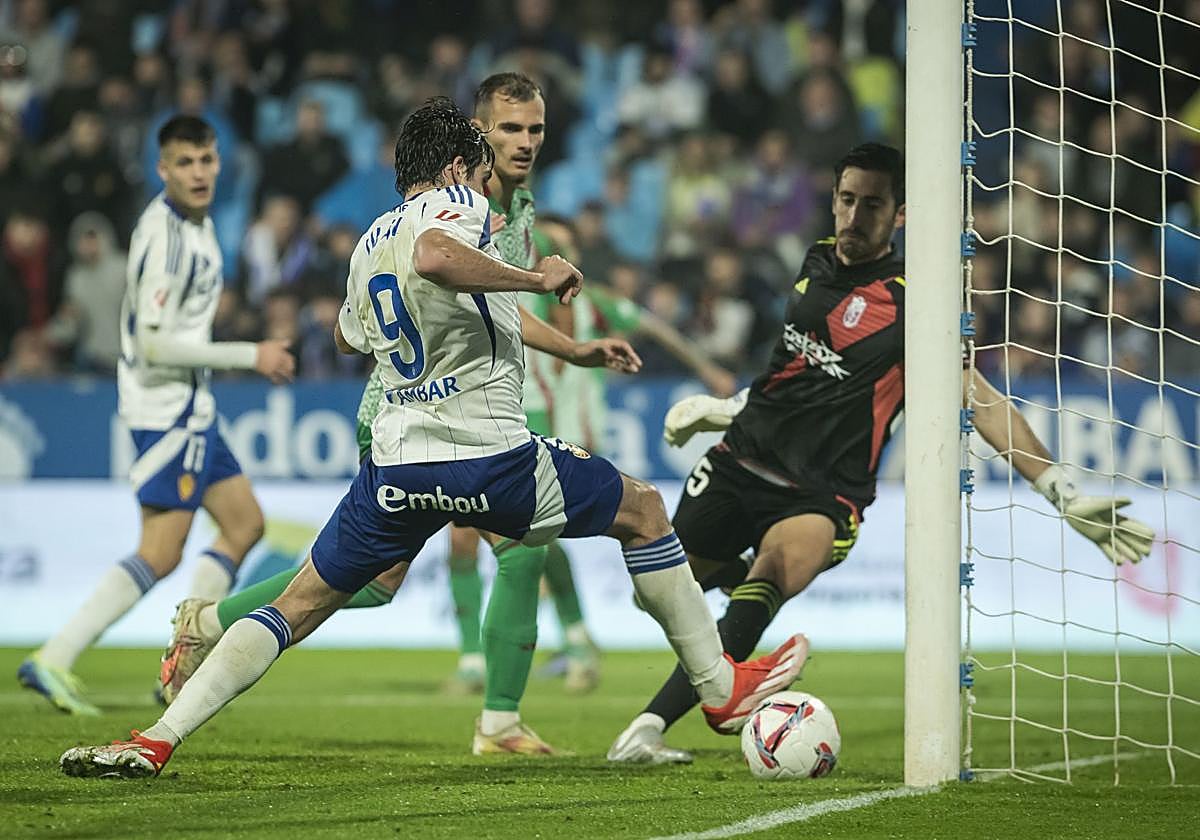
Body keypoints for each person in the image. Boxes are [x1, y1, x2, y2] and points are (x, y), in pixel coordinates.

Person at [59, 98, 808, 779]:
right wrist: (535, 277)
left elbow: (352, 336)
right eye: (481, 166)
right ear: (455, 167)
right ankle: (716, 688)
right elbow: (438, 258)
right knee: (643, 509)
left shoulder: (365, 243)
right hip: (488, 454)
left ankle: (158, 736)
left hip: (397, 467)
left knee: (299, 604)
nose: (486, 182)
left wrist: (535, 339)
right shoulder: (455, 206)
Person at [606, 142, 1157, 764]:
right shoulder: (814, 260)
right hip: (740, 460)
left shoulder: (914, 303)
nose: (854, 215)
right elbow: (794, 368)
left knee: (771, 575)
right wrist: (728, 408)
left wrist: (1062, 489)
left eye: (872, 204)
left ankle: (650, 727)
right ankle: (706, 650)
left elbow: (983, 398)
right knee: (653, 594)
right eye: (846, 200)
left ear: (899, 213)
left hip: (824, 490)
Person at [17, 115, 295, 715]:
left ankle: (184, 653)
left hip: (192, 407)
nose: (198, 173)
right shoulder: (165, 237)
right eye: (184, 163)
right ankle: (55, 656)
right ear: (161, 169)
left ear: (219, 163)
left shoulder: (199, 226)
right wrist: (252, 354)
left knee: (245, 523)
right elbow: (154, 344)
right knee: (162, 552)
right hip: (165, 409)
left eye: (206, 160)